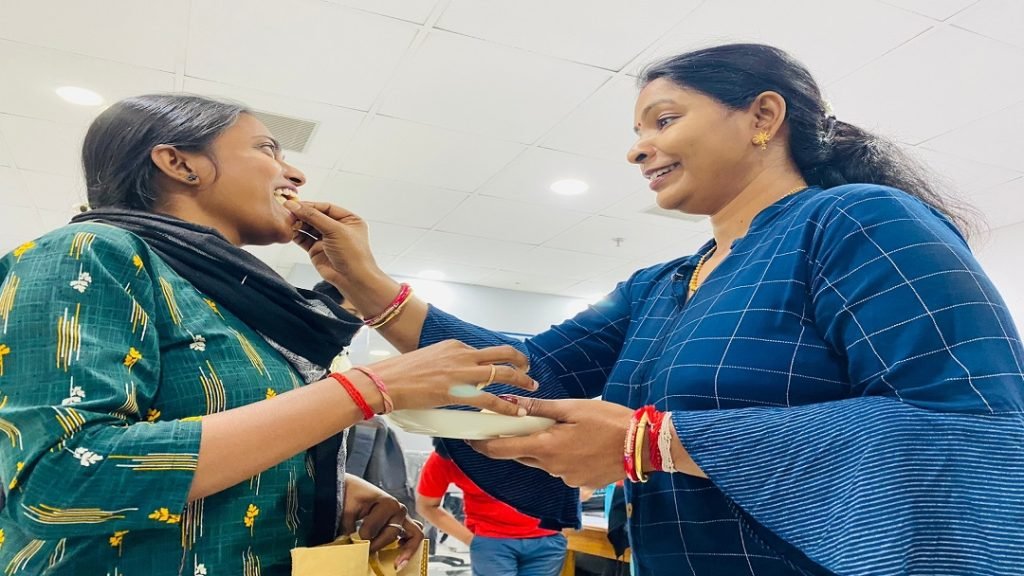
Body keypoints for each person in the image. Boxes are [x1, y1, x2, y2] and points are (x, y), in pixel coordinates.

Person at [283, 43, 1024, 575]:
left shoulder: (857, 221)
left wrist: (655, 444)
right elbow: (526, 371)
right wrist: (369, 286)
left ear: (764, 116)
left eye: (663, 120)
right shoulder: (663, 283)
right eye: (638, 132)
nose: (639, 150)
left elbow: (979, 434)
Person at [0, 94, 535, 575]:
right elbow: (59, 480)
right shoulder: (88, 251)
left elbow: (213, 439)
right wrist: (370, 388)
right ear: (179, 163)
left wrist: (324, 488)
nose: (294, 173)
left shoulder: (230, 301)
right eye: (267, 149)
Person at [416, 438, 566, 576]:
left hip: (547, 541)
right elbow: (427, 506)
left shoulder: (542, 444)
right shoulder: (449, 454)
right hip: (492, 543)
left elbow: (574, 480)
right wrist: (470, 540)